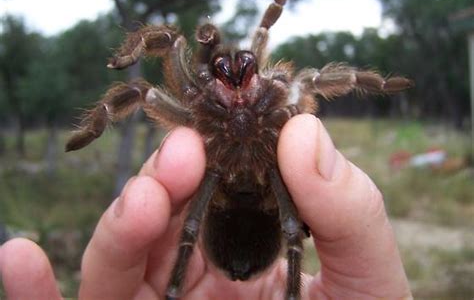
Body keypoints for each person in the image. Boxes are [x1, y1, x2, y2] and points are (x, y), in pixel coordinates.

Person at [0, 115, 412, 299]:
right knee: (185, 214)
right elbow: (147, 93)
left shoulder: (280, 117)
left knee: (288, 230)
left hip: (266, 190)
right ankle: (175, 289)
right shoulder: (206, 120)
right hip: (224, 189)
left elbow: (306, 84)